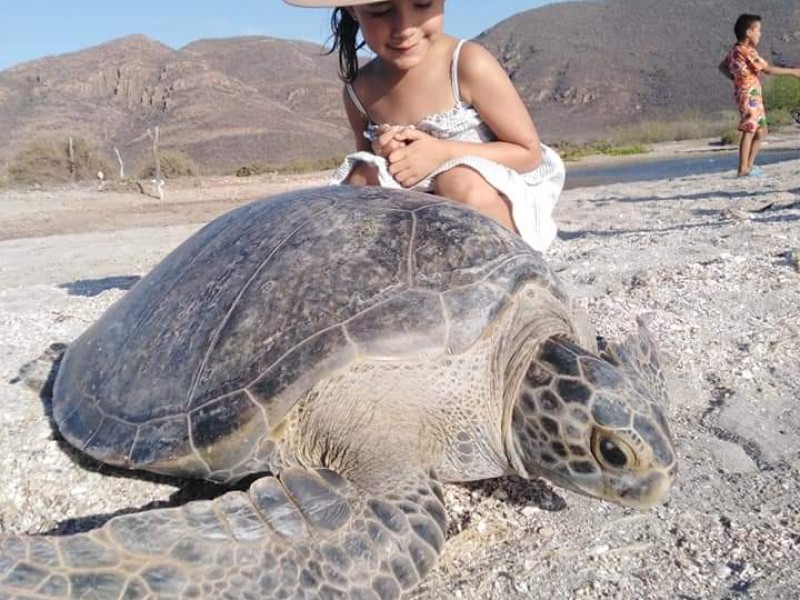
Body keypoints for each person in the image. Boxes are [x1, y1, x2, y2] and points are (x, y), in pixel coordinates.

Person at [284, 0, 565, 253]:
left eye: (423, 3)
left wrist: (443, 152)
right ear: (352, 10)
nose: (405, 28)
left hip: (492, 203)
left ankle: (505, 267)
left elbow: (528, 153)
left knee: (457, 179)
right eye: (381, 11)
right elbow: (372, 172)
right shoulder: (360, 91)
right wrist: (385, 151)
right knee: (361, 177)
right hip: (418, 219)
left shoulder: (466, 63)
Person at [719, 14, 800, 178]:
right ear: (749, 32)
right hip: (748, 95)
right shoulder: (746, 51)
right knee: (750, 129)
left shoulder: (735, 51)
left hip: (753, 95)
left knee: (762, 131)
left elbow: (722, 67)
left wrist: (735, 77)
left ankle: (749, 165)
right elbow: (767, 69)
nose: (760, 34)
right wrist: (793, 72)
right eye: (758, 30)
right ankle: (743, 168)